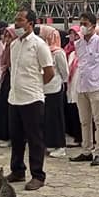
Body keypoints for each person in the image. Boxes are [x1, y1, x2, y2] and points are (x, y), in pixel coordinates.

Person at [6, 8, 55, 191]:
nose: (16, 23)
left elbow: (49, 72)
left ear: (31, 24)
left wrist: (35, 85)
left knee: (35, 139)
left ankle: (38, 175)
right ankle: (18, 170)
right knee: (16, 138)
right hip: (15, 98)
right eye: (16, 19)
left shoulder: (39, 45)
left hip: (32, 98)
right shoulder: (14, 45)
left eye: (20, 20)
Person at [70, 12, 99, 166]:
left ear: (93, 26)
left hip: (97, 86)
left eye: (86, 23)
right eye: (81, 23)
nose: (82, 26)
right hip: (82, 86)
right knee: (84, 121)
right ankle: (86, 150)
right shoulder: (79, 43)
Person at [40, 25, 70, 158]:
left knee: (56, 118)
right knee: (48, 119)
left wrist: (58, 81)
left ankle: (60, 145)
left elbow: (65, 72)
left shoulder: (58, 53)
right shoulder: (43, 51)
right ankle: (50, 142)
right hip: (44, 88)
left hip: (55, 88)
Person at [64, 26, 83, 148]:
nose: (73, 38)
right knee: (74, 112)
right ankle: (77, 136)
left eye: (76, 35)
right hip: (72, 86)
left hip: (82, 87)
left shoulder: (83, 55)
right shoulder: (71, 54)